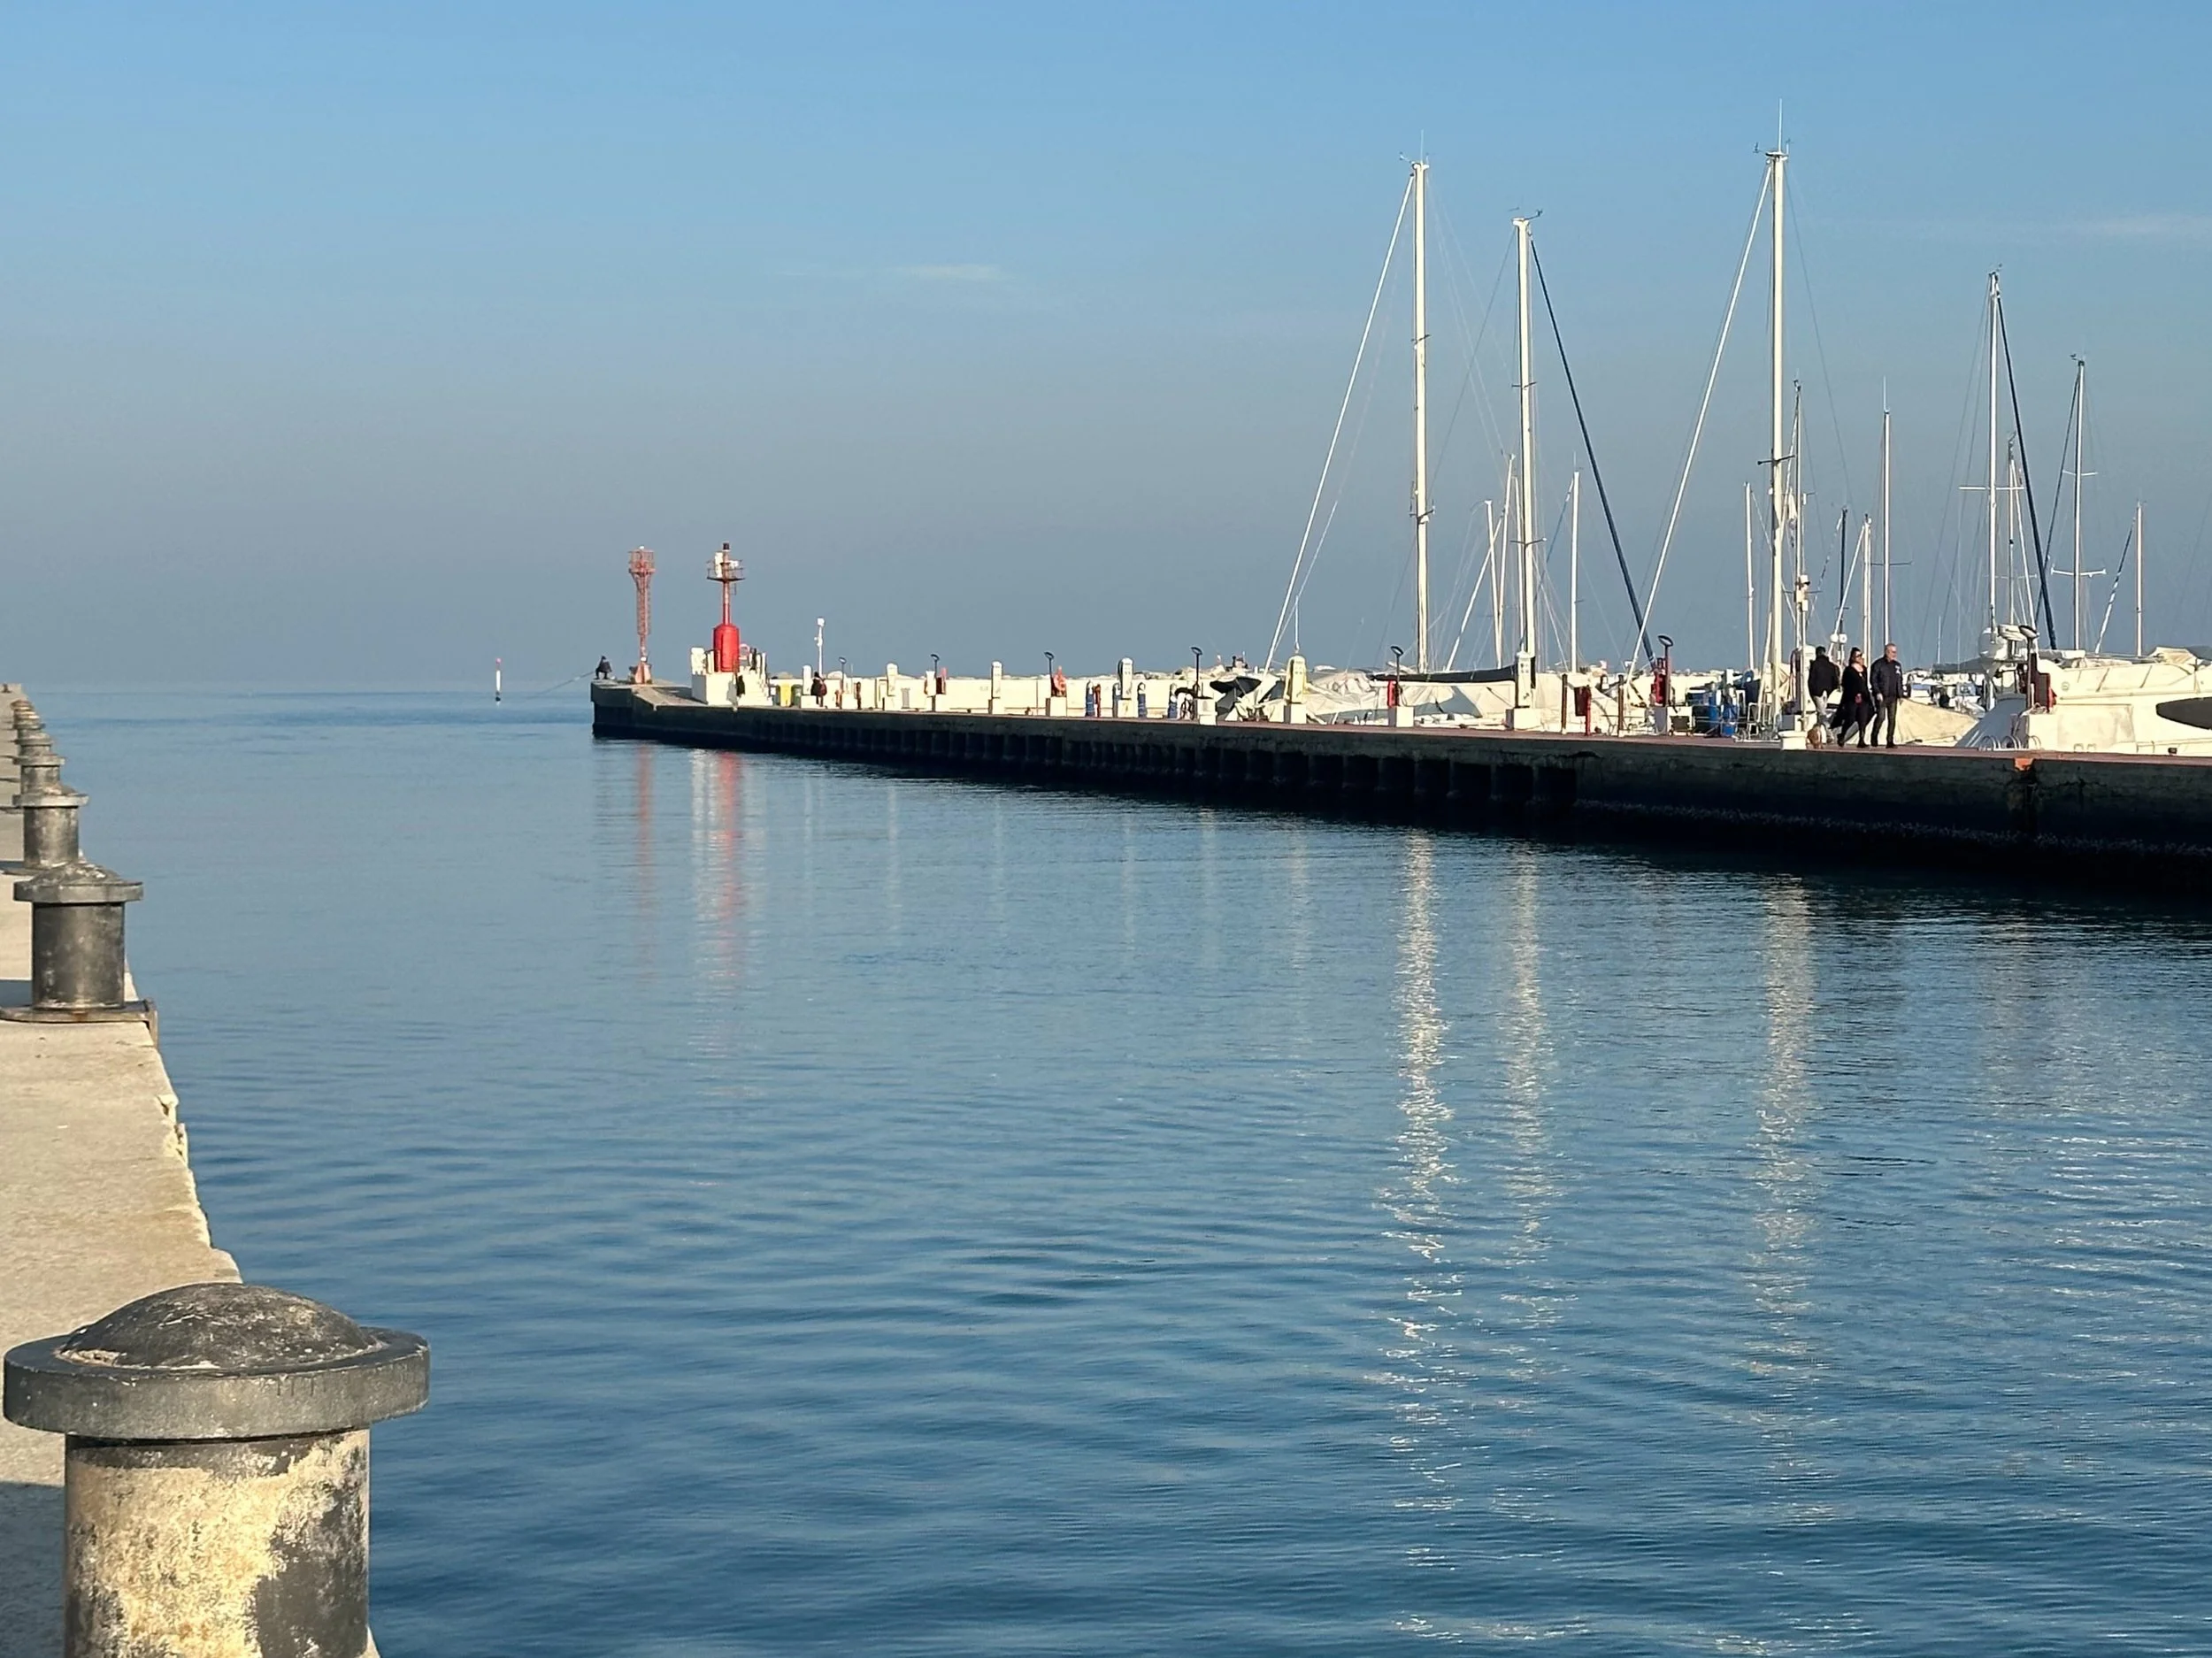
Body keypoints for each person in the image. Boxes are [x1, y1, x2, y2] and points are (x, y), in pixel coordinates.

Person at [1832, 647, 1875, 747]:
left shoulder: (1864, 669)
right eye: (1858, 656)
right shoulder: (1849, 670)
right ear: (1853, 657)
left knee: (1863, 719)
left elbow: (1864, 683)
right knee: (1850, 718)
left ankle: (1861, 739)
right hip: (1852, 698)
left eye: (1861, 656)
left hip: (1864, 698)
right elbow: (1846, 684)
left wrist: (1864, 694)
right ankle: (1842, 735)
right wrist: (1855, 694)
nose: (1860, 658)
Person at [1869, 642, 1907, 748]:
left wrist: (1901, 695)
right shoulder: (1878, 664)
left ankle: (1890, 741)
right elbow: (1873, 680)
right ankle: (1874, 736)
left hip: (1893, 696)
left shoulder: (1897, 666)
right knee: (1881, 717)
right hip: (1882, 696)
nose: (1895, 654)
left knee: (1892, 719)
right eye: (1893, 652)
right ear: (1887, 652)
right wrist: (1877, 692)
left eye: (1896, 652)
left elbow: (1900, 680)